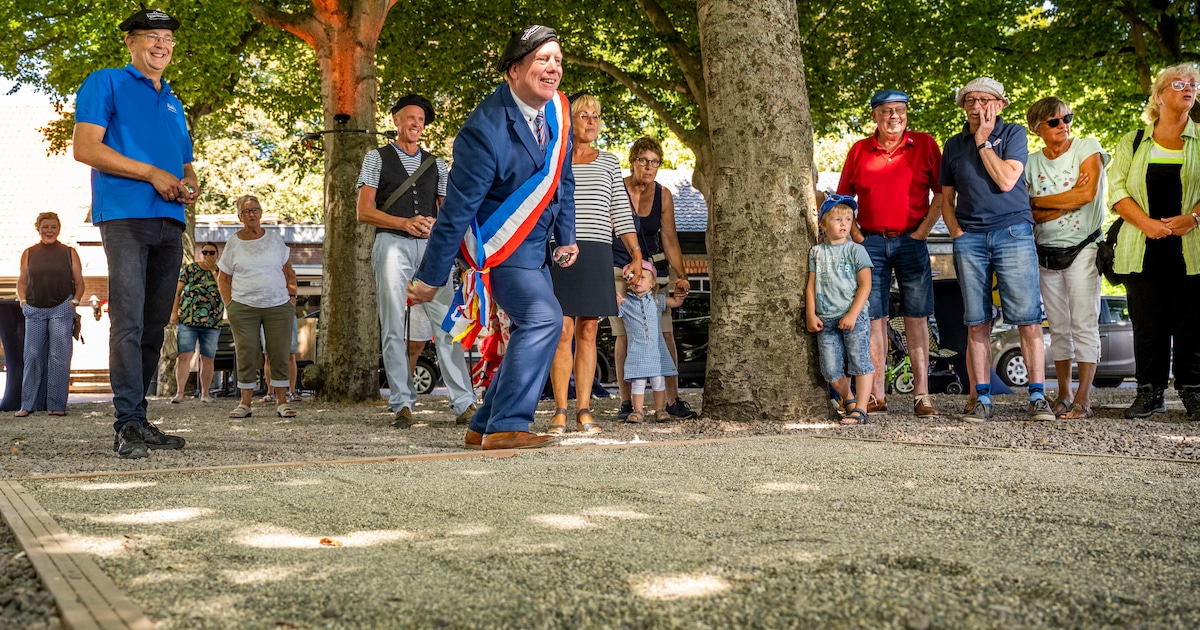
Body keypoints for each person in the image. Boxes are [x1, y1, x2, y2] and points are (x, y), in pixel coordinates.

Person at [408, 25, 576, 451]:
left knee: (534, 324)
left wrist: (566, 235)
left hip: (539, 245)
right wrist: (431, 276)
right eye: (542, 59)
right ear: (513, 71)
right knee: (544, 319)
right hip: (500, 248)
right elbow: (457, 210)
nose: (553, 67)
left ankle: (483, 425)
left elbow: (564, 179)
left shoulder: (559, 109)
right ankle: (507, 426)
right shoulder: (482, 130)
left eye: (557, 59)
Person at [72, 8, 193, 459]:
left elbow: (185, 164)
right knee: (128, 320)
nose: (161, 45)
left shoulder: (173, 100)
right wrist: (150, 174)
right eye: (151, 37)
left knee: (155, 324)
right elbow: (85, 147)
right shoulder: (105, 82)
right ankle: (124, 424)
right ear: (131, 42)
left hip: (170, 220)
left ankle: (139, 419)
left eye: (167, 38)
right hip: (124, 216)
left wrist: (189, 183)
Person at [357, 93, 477, 429]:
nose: (416, 124)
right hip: (391, 243)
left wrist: (434, 227)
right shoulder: (376, 158)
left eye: (421, 120)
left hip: (430, 249)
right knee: (393, 325)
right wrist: (404, 223)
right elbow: (363, 211)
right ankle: (401, 404)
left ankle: (464, 402)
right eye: (410, 118)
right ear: (395, 120)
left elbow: (447, 211)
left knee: (448, 325)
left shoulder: (436, 163)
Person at [939, 76, 1054, 423]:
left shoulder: (1015, 133)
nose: (977, 107)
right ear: (963, 107)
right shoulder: (953, 144)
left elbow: (1007, 180)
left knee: (1028, 319)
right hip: (970, 238)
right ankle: (982, 399)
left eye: (984, 100)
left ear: (1000, 104)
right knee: (976, 322)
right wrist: (957, 232)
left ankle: (1037, 398)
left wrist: (984, 143)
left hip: (1012, 233)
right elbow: (946, 199)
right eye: (970, 100)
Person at [837, 88, 943, 419]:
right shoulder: (859, 150)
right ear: (874, 116)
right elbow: (842, 199)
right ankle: (876, 394)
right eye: (886, 111)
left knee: (917, 317)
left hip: (911, 240)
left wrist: (923, 231)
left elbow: (942, 193)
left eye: (899, 110)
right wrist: (855, 235)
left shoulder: (925, 144)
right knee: (874, 319)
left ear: (907, 113)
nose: (894, 116)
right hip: (870, 244)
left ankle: (922, 394)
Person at [1108, 64, 1200, 422]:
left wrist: (1191, 218)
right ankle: (1149, 393)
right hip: (1142, 246)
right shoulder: (1132, 141)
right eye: (1179, 84)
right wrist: (1148, 224)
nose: (1188, 88)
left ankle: (1193, 391)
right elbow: (1116, 191)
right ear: (1159, 95)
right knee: (1147, 325)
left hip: (1191, 248)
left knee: (1193, 323)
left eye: (1193, 84)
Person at [547, 93, 643, 435]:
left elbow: (620, 210)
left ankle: (584, 409)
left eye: (596, 116)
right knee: (561, 330)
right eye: (583, 115)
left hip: (599, 250)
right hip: (561, 250)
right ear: (570, 120)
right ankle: (560, 408)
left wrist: (635, 252)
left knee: (588, 329)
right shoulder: (553, 159)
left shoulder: (609, 162)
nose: (591, 121)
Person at [1025, 97, 1108, 420]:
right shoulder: (1031, 162)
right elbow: (1026, 210)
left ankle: (1084, 398)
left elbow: (1087, 195)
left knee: (1084, 322)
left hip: (1084, 247)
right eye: (1054, 122)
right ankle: (1064, 394)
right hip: (1045, 252)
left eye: (1067, 118)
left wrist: (1042, 202)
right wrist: (1063, 203)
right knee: (1058, 326)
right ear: (1037, 129)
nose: (1064, 125)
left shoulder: (1087, 147)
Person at [613, 137, 698, 422]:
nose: (649, 167)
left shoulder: (663, 195)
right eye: (643, 160)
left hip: (653, 274)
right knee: (624, 336)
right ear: (632, 161)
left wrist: (681, 274)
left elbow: (670, 238)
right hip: (619, 271)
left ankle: (671, 401)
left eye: (655, 162)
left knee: (665, 334)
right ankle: (628, 403)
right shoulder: (616, 188)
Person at [216, 196, 298, 419]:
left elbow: (289, 271)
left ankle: (282, 401)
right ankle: (245, 403)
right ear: (239, 216)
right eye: (246, 211)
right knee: (247, 352)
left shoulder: (275, 240)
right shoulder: (233, 243)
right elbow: (223, 278)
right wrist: (230, 305)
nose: (252, 214)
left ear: (261, 213)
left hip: (278, 305)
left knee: (280, 352)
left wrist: (292, 298)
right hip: (243, 306)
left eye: (255, 210)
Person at [805, 195, 874, 425]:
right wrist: (811, 313)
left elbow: (866, 284)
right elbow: (811, 285)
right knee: (830, 370)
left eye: (848, 218)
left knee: (859, 361)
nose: (844, 223)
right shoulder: (816, 252)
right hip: (826, 318)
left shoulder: (857, 251)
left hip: (854, 316)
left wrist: (853, 314)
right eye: (837, 219)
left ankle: (861, 410)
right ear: (823, 225)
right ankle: (849, 399)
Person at [14, 212, 84, 417]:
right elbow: (21, 281)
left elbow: (80, 282)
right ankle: (28, 404)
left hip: (61, 307)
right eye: (45, 226)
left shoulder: (69, 252)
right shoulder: (29, 253)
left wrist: (74, 303)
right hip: (34, 308)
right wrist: (23, 301)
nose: (50, 230)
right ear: (38, 228)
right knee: (32, 355)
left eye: (54, 226)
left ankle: (56, 405)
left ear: (59, 228)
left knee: (59, 356)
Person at [618, 260, 683, 423]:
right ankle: (638, 410)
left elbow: (675, 303)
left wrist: (680, 295)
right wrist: (616, 302)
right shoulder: (625, 303)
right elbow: (611, 311)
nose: (638, 281)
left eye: (643, 277)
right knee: (638, 382)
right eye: (634, 278)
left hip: (656, 351)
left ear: (653, 282)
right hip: (637, 351)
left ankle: (660, 409)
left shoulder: (657, 300)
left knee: (658, 381)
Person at [169, 242, 223, 403]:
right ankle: (180, 393)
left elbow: (225, 292)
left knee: (207, 358)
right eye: (204, 252)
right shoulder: (189, 269)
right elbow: (177, 293)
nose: (207, 255)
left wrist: (214, 272)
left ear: (217, 254)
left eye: (211, 252)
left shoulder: (221, 272)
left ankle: (205, 394)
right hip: (188, 320)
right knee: (184, 356)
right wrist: (173, 312)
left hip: (212, 322)